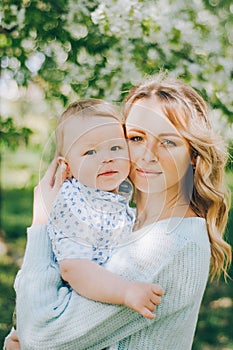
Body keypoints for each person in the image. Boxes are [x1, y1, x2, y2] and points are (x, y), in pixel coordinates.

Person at [5, 75, 231, 350]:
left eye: (169, 142)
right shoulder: (127, 222)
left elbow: (41, 337)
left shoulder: (167, 244)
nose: (148, 154)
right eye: (136, 138)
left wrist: (42, 223)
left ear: (194, 154)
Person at [47, 98, 161, 318]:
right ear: (67, 168)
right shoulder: (74, 201)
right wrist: (125, 291)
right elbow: (73, 267)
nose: (107, 158)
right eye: (90, 152)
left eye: (115, 147)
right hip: (67, 312)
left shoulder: (114, 197)